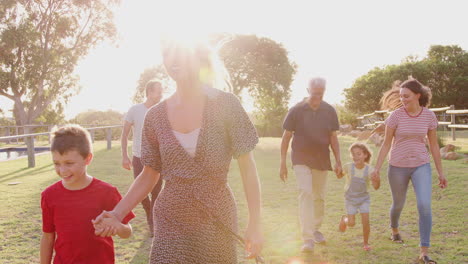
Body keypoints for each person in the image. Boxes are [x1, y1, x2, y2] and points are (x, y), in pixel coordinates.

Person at [93, 37, 263, 263]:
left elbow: (248, 168)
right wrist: (117, 213)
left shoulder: (226, 104)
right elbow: (149, 174)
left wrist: (255, 222)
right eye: (166, 54)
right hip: (171, 218)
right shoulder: (155, 116)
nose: (172, 59)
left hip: (216, 214)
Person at [371, 78, 448, 264]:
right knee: (398, 204)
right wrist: (377, 168)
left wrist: (440, 172)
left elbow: (434, 146)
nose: (403, 100)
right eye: (401, 96)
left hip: (421, 164)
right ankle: (394, 229)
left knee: (424, 205)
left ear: (418, 95)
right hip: (397, 166)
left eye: (406, 96)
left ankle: (424, 252)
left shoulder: (429, 116)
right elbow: (386, 143)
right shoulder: (396, 116)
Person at [40, 125, 135, 264]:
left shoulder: (107, 192)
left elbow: (127, 232)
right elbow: (48, 237)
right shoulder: (49, 195)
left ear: (88, 159)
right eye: (56, 163)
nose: (62, 170)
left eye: (69, 163)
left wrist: (118, 227)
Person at [280, 77, 343, 253]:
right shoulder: (296, 110)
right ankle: (307, 238)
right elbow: (286, 136)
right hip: (300, 158)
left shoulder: (329, 110)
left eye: (320, 93)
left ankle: (315, 229)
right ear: (308, 91)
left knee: (319, 197)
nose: (317, 96)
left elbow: (333, 137)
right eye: (314, 93)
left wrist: (338, 161)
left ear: (324, 91)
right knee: (305, 193)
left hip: (322, 158)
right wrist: (282, 162)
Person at [121, 80, 163, 234]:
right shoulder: (135, 110)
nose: (161, 94)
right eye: (158, 90)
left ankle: (153, 224)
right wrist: (125, 156)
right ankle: (149, 215)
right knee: (141, 193)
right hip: (139, 157)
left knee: (157, 192)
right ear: (149, 92)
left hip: (159, 159)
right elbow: (124, 134)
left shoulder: (163, 111)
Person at [337, 142, 380, 251]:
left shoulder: (370, 169)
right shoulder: (348, 167)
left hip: (364, 199)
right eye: (353, 154)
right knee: (351, 224)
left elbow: (376, 187)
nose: (355, 156)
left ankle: (365, 243)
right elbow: (339, 176)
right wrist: (337, 170)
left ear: (365, 155)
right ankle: (345, 219)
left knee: (366, 221)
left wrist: (377, 180)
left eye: (358, 154)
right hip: (350, 199)